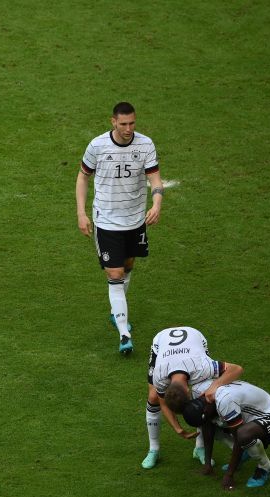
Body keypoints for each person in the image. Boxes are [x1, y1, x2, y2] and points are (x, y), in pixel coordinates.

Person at [76, 102, 163, 353]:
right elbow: (83, 176)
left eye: (132, 123)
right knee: (114, 275)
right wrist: (81, 213)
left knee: (127, 268)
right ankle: (124, 334)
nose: (128, 128)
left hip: (136, 220)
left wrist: (157, 203)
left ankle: (117, 311)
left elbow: (155, 179)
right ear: (112, 121)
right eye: (123, 124)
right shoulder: (97, 146)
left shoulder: (145, 145)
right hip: (107, 221)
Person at [143, 326, 244, 469]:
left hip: (195, 337)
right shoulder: (159, 377)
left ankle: (200, 448)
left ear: (187, 389)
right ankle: (154, 449)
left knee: (201, 391)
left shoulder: (202, 367)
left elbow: (236, 369)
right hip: (161, 341)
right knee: (153, 397)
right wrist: (177, 428)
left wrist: (213, 387)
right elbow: (162, 402)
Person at [174, 380, 270, 490]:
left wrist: (229, 475)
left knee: (243, 435)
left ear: (205, 411)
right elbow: (207, 427)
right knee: (214, 426)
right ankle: (246, 452)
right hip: (250, 418)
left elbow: (239, 438)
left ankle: (265, 467)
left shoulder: (225, 402)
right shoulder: (204, 398)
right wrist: (207, 464)